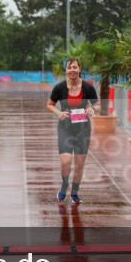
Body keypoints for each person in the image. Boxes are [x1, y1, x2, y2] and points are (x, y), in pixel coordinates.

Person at [47, 57, 98, 205]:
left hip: (83, 130)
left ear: (79, 69)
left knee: (80, 164)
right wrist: (58, 113)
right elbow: (49, 105)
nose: (72, 70)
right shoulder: (59, 88)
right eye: (70, 68)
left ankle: (75, 192)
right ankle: (64, 185)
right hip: (65, 129)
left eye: (75, 67)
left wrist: (91, 109)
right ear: (66, 70)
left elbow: (97, 105)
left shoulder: (88, 88)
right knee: (66, 161)